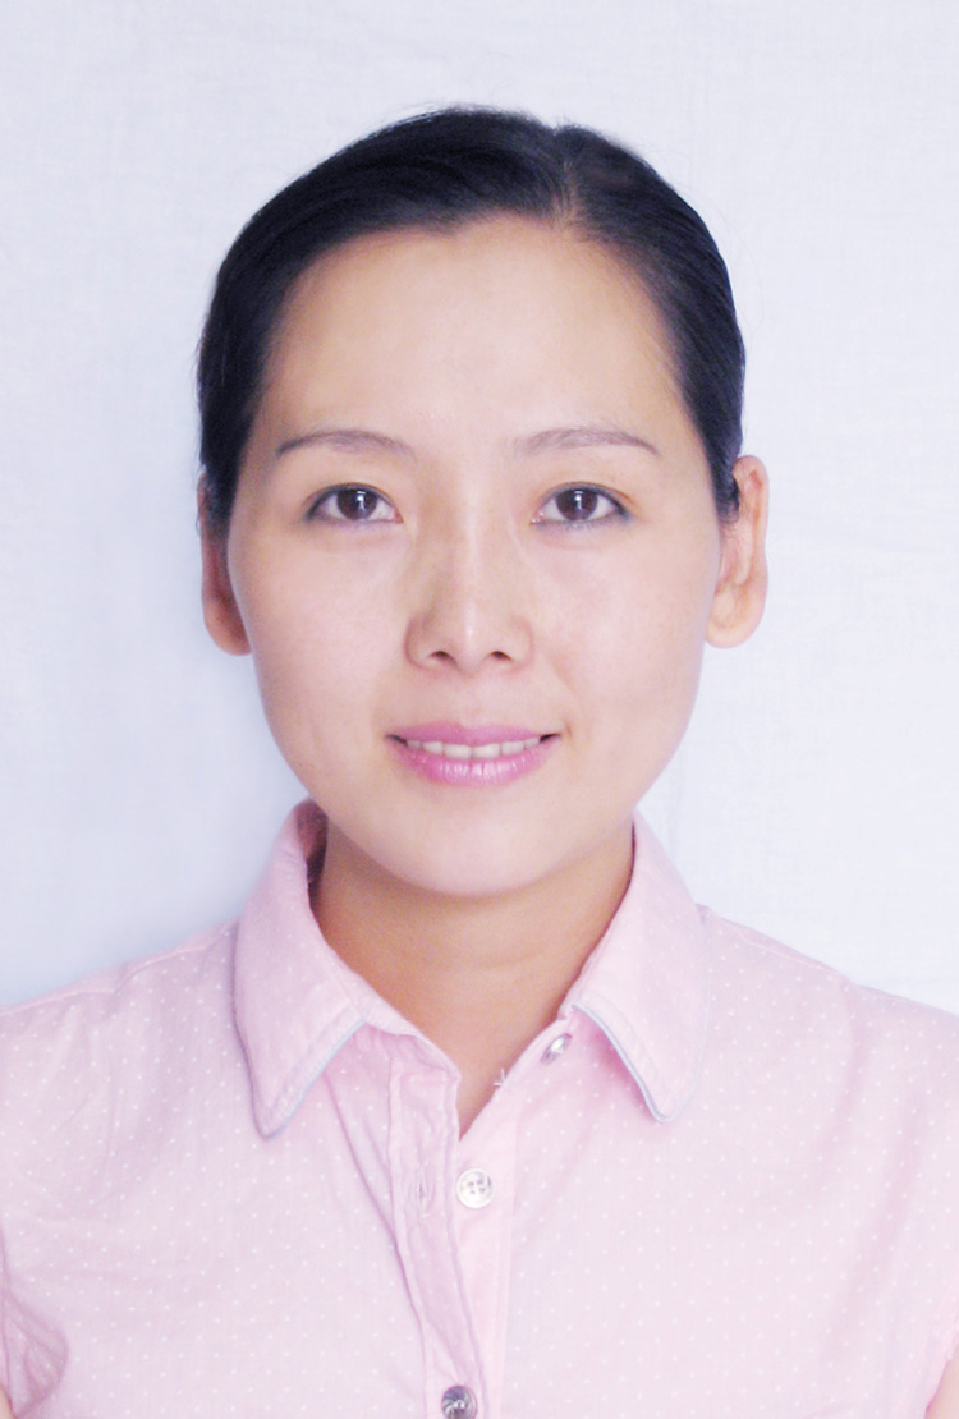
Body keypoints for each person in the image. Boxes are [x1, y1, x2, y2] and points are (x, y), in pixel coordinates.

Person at [1, 107, 958, 1418]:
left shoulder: (928, 1165)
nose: (467, 625)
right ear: (219, 561)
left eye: (577, 502)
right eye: (355, 502)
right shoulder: (27, 1149)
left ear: (736, 553)